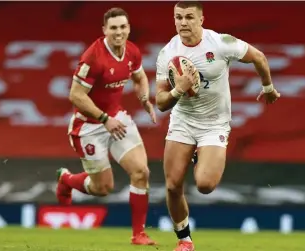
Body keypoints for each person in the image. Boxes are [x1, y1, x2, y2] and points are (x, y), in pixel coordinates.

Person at [155, 1, 281, 251]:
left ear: (201, 19)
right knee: (171, 185)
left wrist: (268, 87)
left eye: (189, 17)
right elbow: (160, 102)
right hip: (183, 121)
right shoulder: (168, 52)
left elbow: (258, 57)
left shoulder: (221, 43)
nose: (183, 23)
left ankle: (200, 155)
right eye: (178, 17)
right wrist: (178, 90)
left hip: (214, 124)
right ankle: (184, 240)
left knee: (205, 185)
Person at [56, 7, 157, 246]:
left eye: (123, 27)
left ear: (128, 28)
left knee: (141, 172)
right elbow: (76, 95)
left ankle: (138, 234)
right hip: (89, 126)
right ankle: (67, 180)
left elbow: (140, 77)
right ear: (105, 30)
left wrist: (144, 100)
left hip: (116, 118)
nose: (119, 32)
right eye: (113, 28)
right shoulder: (93, 57)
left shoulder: (132, 51)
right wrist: (104, 119)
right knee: (103, 188)